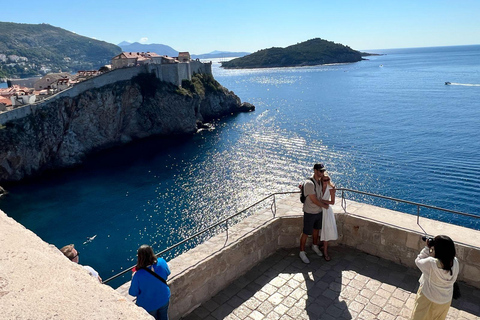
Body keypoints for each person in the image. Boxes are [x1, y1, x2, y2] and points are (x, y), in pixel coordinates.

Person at [410, 235, 459, 320]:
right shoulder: (455, 262)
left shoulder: (431, 263)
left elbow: (418, 261)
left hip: (428, 299)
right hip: (445, 301)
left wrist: (427, 248)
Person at [129, 245, 171, 320]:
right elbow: (167, 273)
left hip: (148, 305)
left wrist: (133, 277)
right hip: (164, 297)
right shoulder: (162, 262)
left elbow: (133, 292)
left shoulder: (138, 275)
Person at [299, 163, 329, 264]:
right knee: (306, 232)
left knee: (316, 230)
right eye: (321, 171)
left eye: (323, 171)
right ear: (315, 171)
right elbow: (314, 200)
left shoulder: (320, 182)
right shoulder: (309, 183)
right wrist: (324, 206)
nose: (322, 173)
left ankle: (314, 246)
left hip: (318, 212)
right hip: (310, 212)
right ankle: (302, 252)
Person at [319, 172, 338, 261]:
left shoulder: (331, 188)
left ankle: (325, 252)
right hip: (318, 210)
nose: (326, 181)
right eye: (324, 180)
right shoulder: (318, 187)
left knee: (325, 231)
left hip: (326, 211)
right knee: (319, 229)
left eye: (328, 179)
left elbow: (333, 202)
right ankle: (322, 246)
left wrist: (322, 200)